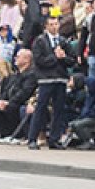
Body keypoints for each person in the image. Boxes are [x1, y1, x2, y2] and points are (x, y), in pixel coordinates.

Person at [29, 12, 76, 150]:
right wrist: (55, 58)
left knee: (59, 110)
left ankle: (54, 139)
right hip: (46, 79)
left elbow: (71, 60)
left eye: (56, 24)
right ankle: (33, 138)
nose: (54, 27)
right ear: (46, 26)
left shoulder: (63, 41)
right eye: (51, 24)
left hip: (60, 79)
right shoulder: (40, 41)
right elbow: (39, 60)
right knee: (40, 108)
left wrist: (63, 58)